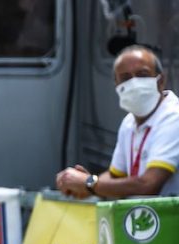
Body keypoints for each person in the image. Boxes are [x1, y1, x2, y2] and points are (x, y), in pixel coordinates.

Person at [56, 45, 179, 199]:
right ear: (117, 84)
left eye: (142, 75)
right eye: (126, 78)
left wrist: (89, 184)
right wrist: (87, 185)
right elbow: (115, 176)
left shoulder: (174, 117)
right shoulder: (129, 122)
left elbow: (148, 185)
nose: (134, 83)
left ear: (161, 81)